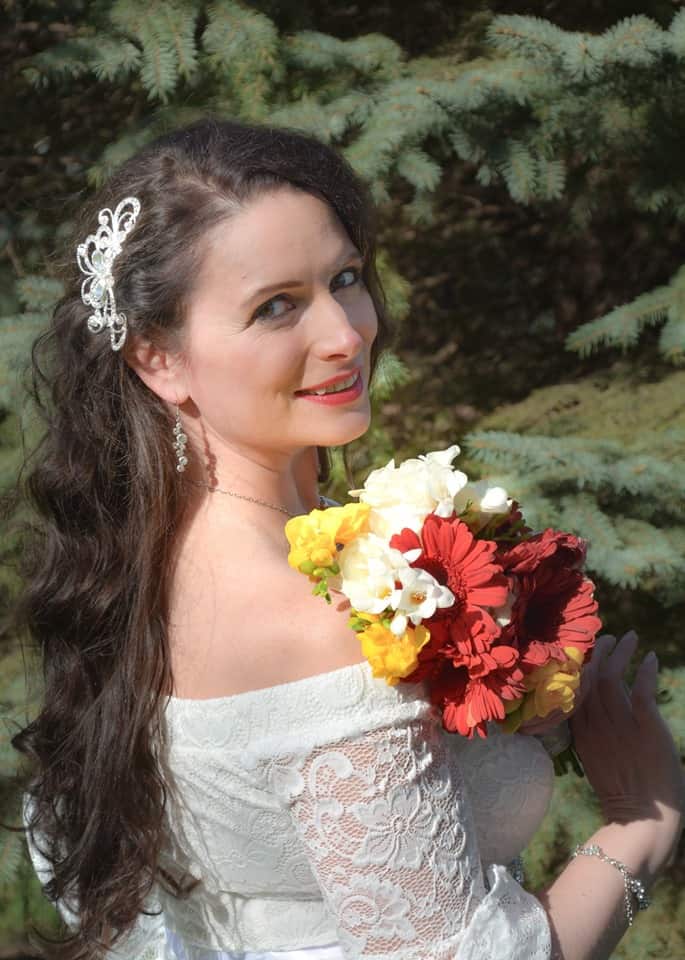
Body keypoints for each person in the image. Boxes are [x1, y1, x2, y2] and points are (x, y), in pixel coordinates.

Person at [11, 117, 684, 960]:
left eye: (345, 278)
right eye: (275, 307)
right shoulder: (311, 623)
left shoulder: (134, 564)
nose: (346, 333)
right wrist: (641, 818)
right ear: (159, 358)